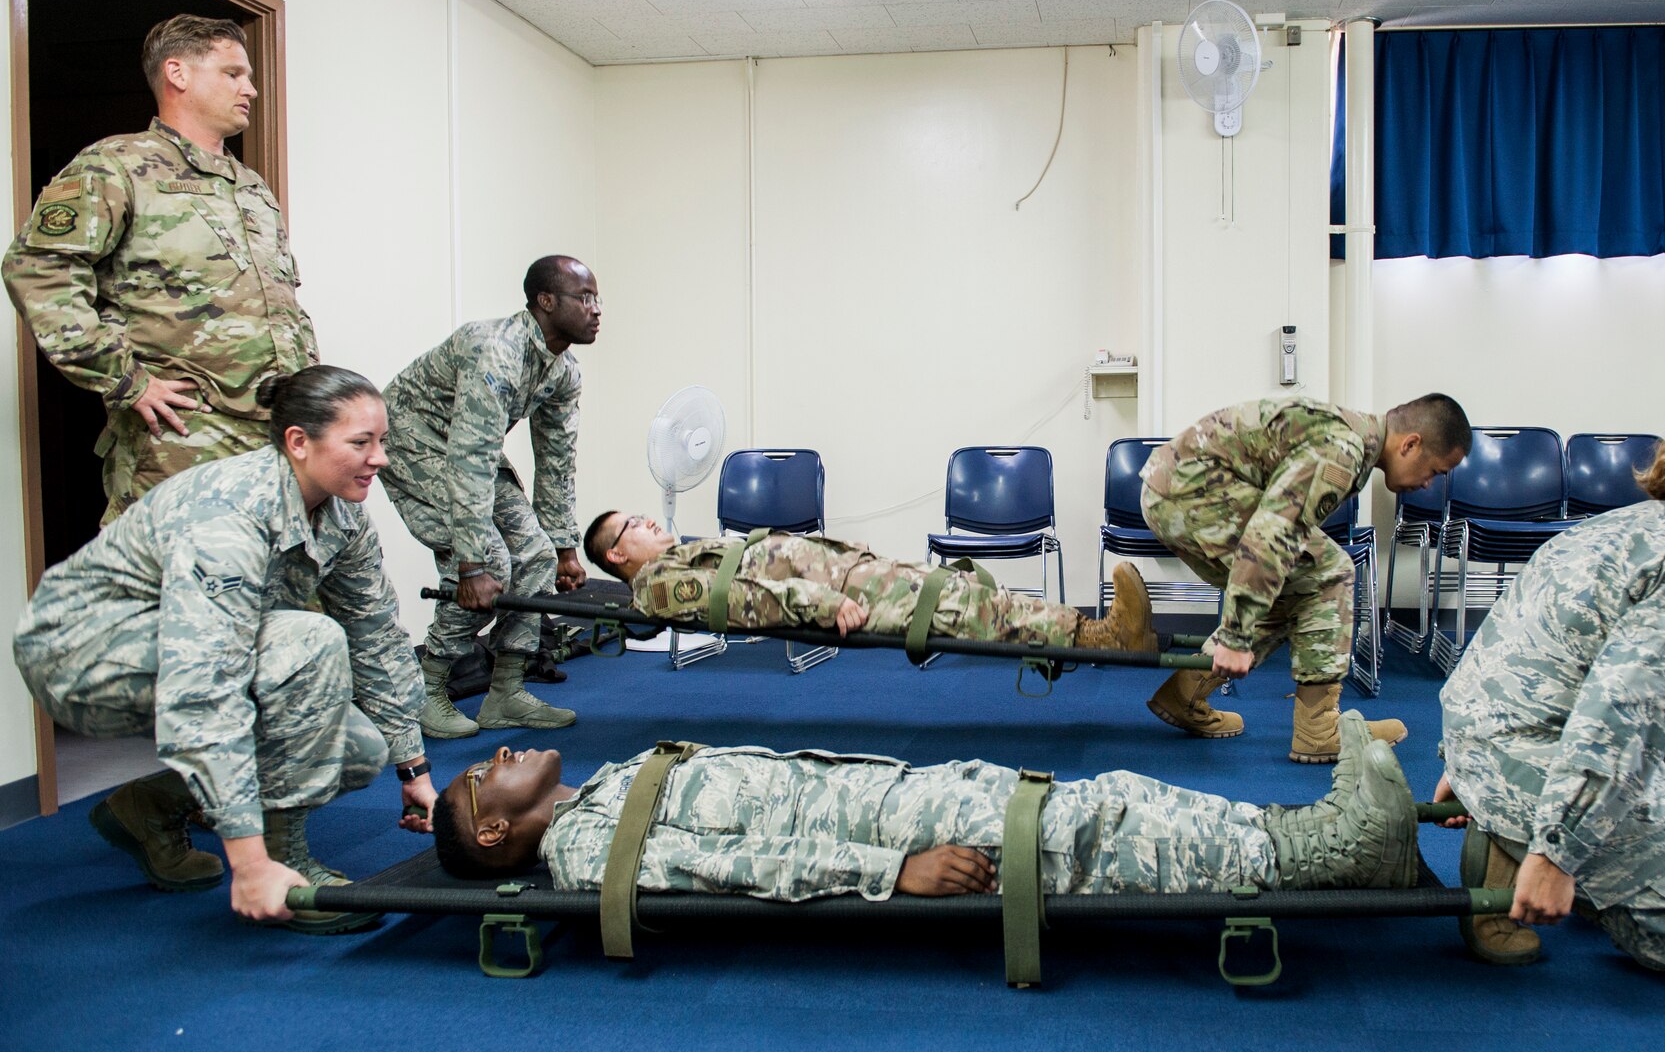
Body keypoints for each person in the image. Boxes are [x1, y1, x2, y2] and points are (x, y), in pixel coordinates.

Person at [13, 366, 430, 935]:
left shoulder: (340, 513)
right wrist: (251, 864)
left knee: (357, 748)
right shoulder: (228, 513)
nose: (379, 458)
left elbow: (376, 633)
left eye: (381, 441)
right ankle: (284, 867)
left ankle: (153, 808)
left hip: (175, 646)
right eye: (361, 443)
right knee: (309, 642)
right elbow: (204, 686)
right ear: (298, 442)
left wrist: (414, 768)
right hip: (79, 653)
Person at [1431, 392, 1665, 991]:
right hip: (1539, 764)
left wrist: (1466, 759)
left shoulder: (1611, 528)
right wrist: (1558, 856)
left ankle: (1525, 830)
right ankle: (1563, 870)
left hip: (1487, 739)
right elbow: (1617, 722)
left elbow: (1510, 642)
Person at [429, 712, 1419, 900]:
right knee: (1087, 836)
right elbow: (729, 867)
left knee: (1098, 796)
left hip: (881, 792)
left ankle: (1288, 830)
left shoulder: (599, 788)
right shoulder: (586, 845)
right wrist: (888, 873)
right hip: (874, 836)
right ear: (491, 829)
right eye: (488, 775)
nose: (499, 751)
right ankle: (1323, 855)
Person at [3, 15, 316, 523]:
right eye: (234, 74)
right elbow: (39, 268)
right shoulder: (117, 164)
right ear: (178, 73)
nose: (252, 90)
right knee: (177, 590)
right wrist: (126, 379)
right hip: (181, 443)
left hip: (275, 438)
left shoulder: (251, 186)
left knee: (261, 586)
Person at [1140, 393, 1471, 761]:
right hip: (1190, 495)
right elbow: (1272, 534)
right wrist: (1234, 636)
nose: (1428, 484)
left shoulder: (1351, 441)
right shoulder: (1342, 451)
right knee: (1331, 573)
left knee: (1295, 586)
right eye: (1436, 471)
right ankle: (1319, 729)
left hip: (1180, 490)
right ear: (1411, 444)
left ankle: (1185, 693)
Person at [381, 256, 598, 740]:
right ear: (546, 301)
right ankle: (428, 690)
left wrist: (564, 549)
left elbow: (557, 460)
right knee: (491, 562)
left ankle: (505, 693)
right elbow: (470, 459)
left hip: (468, 450)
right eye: (584, 298)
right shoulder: (496, 352)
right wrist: (471, 568)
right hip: (412, 441)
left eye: (596, 299)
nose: (596, 309)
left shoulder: (563, 371)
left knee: (536, 555)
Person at [585, 512, 1156, 654]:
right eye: (632, 526)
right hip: (844, 595)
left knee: (968, 596)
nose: (647, 520)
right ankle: (1104, 637)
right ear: (616, 555)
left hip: (853, 574)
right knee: (967, 611)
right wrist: (823, 604)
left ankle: (1096, 632)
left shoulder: (683, 553)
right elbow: (741, 602)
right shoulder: (656, 586)